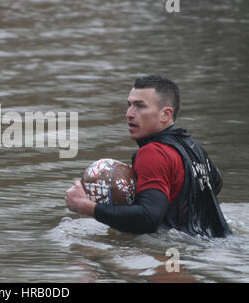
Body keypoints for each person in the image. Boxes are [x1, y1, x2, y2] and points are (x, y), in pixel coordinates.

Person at [65, 75, 231, 237]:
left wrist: (86, 206)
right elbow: (215, 184)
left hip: (180, 251)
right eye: (129, 105)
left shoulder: (153, 153)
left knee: (85, 255)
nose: (129, 113)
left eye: (139, 106)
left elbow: (148, 218)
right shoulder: (194, 147)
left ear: (165, 114)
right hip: (216, 241)